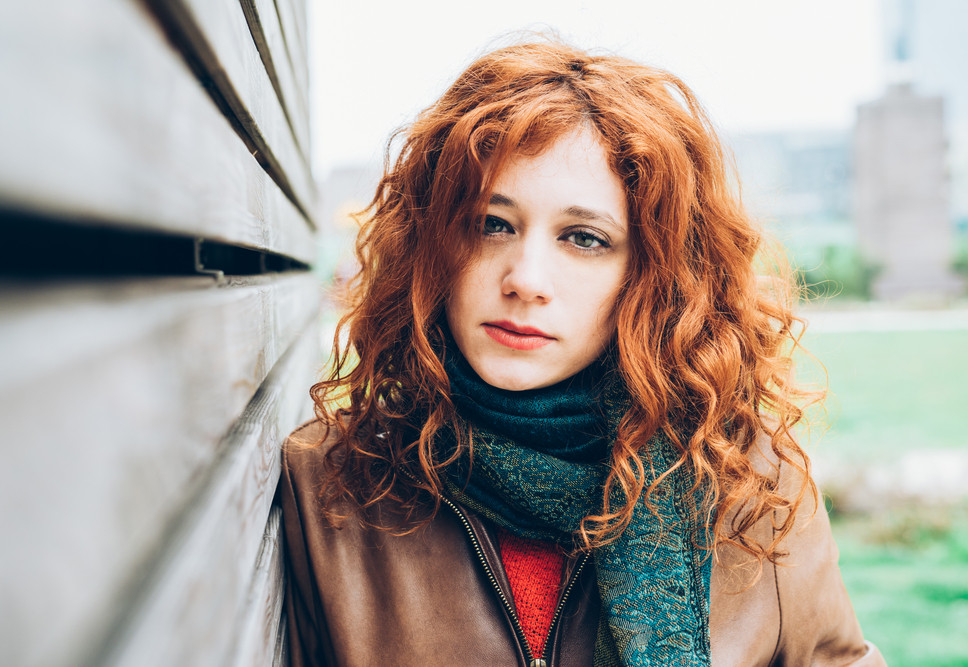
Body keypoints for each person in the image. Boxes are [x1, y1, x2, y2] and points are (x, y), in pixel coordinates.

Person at [280, 40, 885, 667]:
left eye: (585, 238)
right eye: (493, 224)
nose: (526, 278)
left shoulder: (747, 481)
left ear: (653, 275)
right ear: (434, 243)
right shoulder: (333, 486)